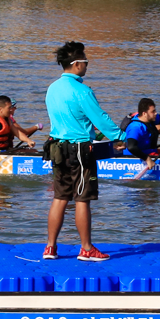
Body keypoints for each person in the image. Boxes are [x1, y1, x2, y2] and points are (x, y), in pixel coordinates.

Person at [44, 41, 123, 262]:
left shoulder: (52, 88)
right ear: (77, 64)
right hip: (79, 149)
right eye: (86, 62)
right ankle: (86, 249)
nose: (87, 67)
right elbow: (101, 119)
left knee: (60, 197)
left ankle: (50, 247)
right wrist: (121, 137)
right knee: (82, 199)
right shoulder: (82, 90)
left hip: (57, 147)